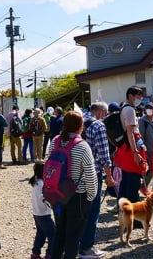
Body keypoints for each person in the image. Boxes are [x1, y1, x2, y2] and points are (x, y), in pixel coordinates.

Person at [49, 110, 97, 259]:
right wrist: (91, 196)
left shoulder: (55, 141)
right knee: (73, 237)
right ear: (80, 126)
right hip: (78, 197)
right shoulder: (82, 146)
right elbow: (90, 174)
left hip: (57, 195)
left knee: (60, 233)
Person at [78, 102, 114, 259]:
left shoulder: (79, 120)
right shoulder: (98, 125)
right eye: (105, 113)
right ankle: (86, 248)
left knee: (79, 210)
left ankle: (76, 243)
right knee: (93, 211)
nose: (105, 116)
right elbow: (104, 154)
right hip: (93, 173)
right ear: (100, 112)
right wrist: (110, 177)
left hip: (75, 173)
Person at [118, 86, 146, 204]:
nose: (139, 99)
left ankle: (123, 215)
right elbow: (130, 132)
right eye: (138, 96)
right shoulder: (129, 110)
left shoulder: (124, 108)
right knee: (133, 185)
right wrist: (135, 152)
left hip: (125, 149)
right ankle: (134, 218)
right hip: (131, 150)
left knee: (125, 183)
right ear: (130, 96)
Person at [30, 161, 55, 259]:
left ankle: (35, 253)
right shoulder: (41, 183)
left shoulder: (35, 181)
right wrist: (51, 203)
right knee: (53, 234)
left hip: (37, 213)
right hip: (44, 214)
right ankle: (50, 253)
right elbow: (43, 197)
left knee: (41, 233)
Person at [139, 102, 153, 192]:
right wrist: (143, 150)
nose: (150, 110)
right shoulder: (143, 121)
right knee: (151, 170)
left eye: (151, 108)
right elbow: (140, 136)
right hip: (148, 151)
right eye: (147, 108)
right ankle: (143, 186)